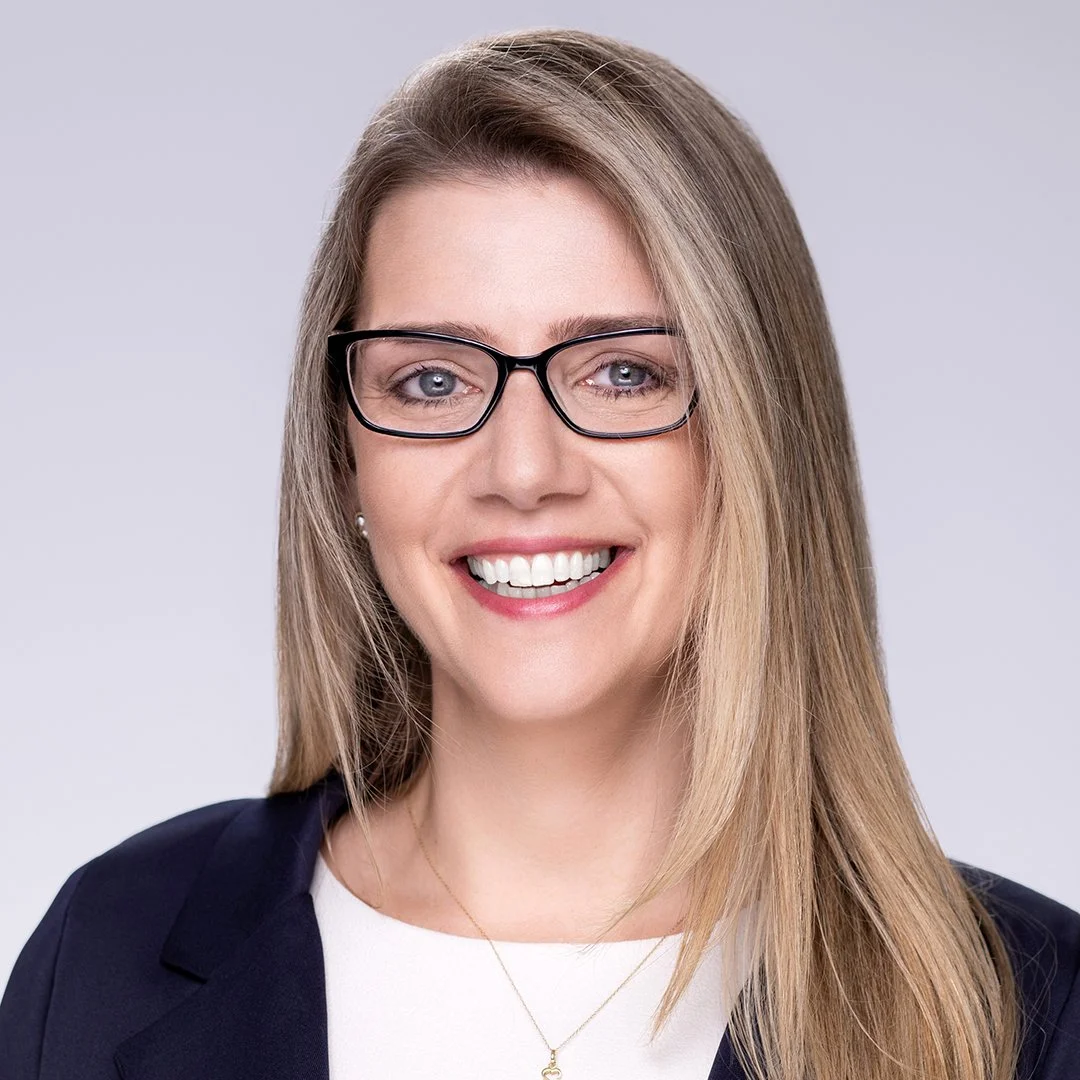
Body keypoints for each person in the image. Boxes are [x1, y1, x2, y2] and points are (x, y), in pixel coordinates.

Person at [1, 26, 1077, 1080]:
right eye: (433, 380)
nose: (522, 469)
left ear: (759, 435)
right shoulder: (108, 953)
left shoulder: (1030, 1013)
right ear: (345, 456)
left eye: (622, 373)